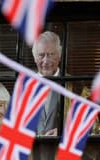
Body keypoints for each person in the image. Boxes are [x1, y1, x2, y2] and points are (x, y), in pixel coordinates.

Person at [31, 31, 62, 160]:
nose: (46, 60)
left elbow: (92, 127)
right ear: (34, 57)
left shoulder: (75, 87)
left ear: (59, 56)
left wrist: (63, 132)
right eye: (41, 55)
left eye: (50, 55)